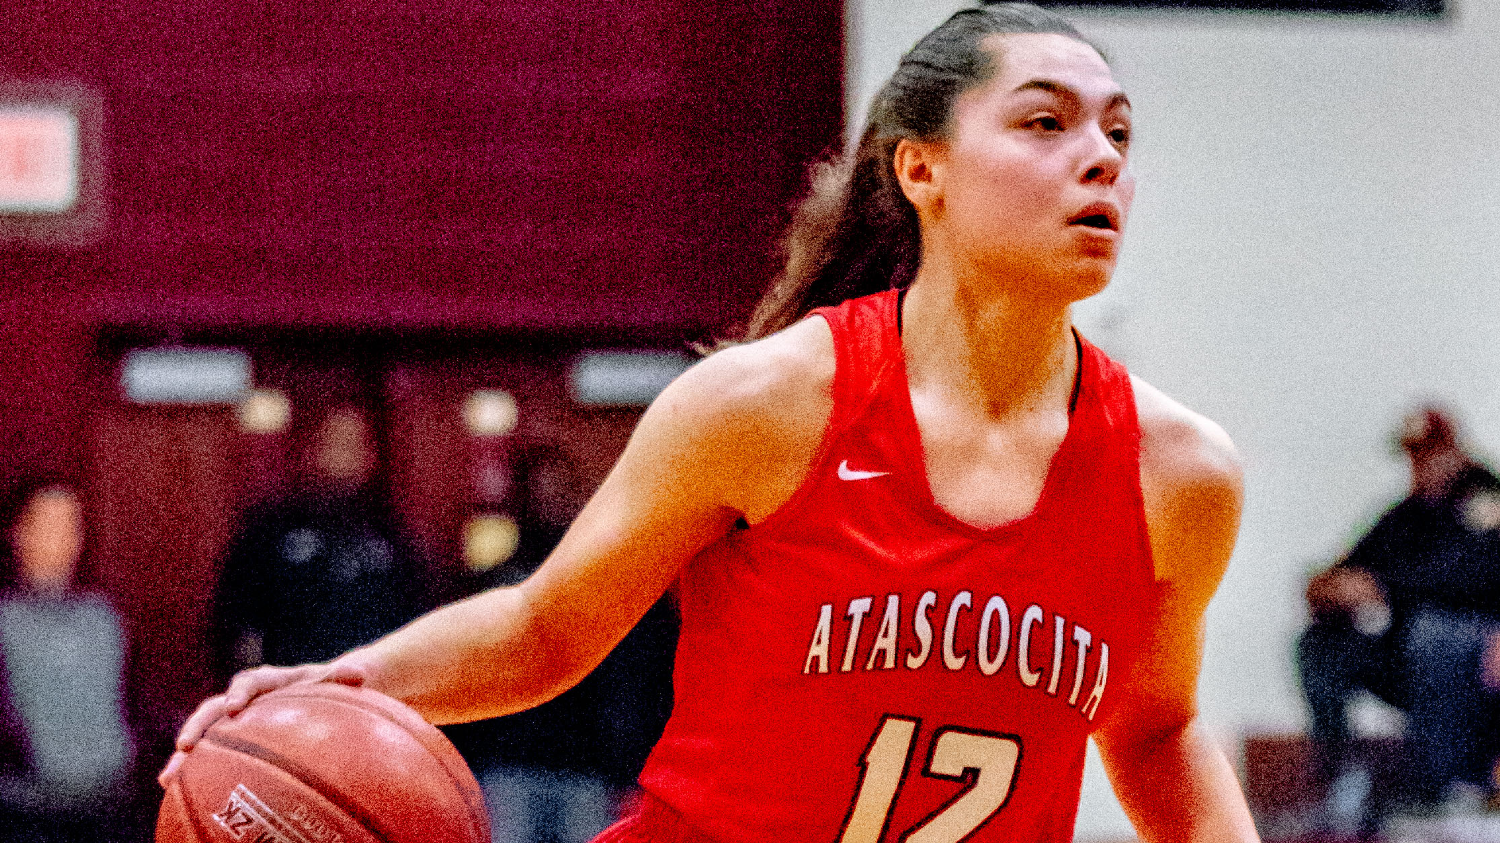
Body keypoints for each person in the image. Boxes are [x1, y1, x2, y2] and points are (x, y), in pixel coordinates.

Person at [167, 5, 1260, 840]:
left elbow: (1155, 728)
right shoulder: (773, 402)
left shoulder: (1179, 473)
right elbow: (547, 631)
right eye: (1045, 122)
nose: (1102, 156)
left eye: (1118, 132)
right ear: (919, 168)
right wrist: (332, 686)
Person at [442, 444, 677, 843]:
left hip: (589, 764)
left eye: (559, 492)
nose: (549, 505)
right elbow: (464, 675)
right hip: (511, 764)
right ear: (521, 502)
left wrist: (633, 761)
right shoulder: (495, 584)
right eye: (539, 494)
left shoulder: (613, 579)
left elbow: (646, 674)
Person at [1299, 406, 1500, 827]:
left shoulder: (1486, 501)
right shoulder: (1408, 513)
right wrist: (1332, 588)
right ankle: (1340, 783)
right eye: (1414, 456)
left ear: (1455, 450)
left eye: (1431, 454)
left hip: (1474, 657)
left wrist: (1382, 585)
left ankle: (1442, 788)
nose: (1421, 466)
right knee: (1320, 644)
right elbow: (1348, 568)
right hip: (1414, 657)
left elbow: (1468, 577)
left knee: (1432, 634)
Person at [211, 404, 431, 675]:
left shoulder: (387, 527)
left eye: (356, 444)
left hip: (369, 678)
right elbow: (237, 612)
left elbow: (416, 610)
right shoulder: (275, 523)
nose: (346, 454)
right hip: (291, 677)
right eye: (337, 441)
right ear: (313, 449)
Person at [0, 478, 141, 843]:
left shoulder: (102, 615)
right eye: (49, 525)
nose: (62, 540)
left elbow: (132, 706)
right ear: (19, 534)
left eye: (71, 526)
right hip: (29, 812)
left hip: (111, 804)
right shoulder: (6, 620)